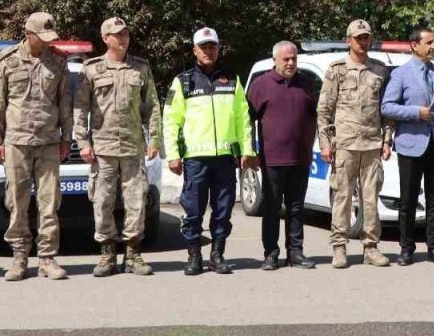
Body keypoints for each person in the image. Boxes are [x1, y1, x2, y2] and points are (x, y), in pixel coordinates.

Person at [164, 27, 256, 276]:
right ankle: (194, 256)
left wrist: (247, 149)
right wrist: (173, 154)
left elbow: (242, 118)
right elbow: (171, 119)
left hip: (225, 158)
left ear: (218, 48)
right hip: (195, 159)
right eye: (203, 47)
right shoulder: (183, 81)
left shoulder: (232, 79)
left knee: (223, 210)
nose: (208, 51)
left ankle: (217, 255)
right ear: (194, 50)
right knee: (193, 211)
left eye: (212, 46)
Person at [74, 17, 161, 277]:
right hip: (103, 148)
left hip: (133, 147)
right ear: (105, 38)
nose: (123, 39)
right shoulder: (91, 70)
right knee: (102, 202)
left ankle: (133, 254)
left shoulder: (140, 69)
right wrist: (83, 142)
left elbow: (152, 107)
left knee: (136, 202)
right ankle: (107, 254)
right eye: (117, 35)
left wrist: (154, 139)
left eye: (125, 34)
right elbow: (80, 109)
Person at [0, 12, 72, 281]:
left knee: (49, 204)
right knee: (17, 201)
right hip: (17, 142)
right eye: (42, 36)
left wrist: (66, 138)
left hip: (48, 142)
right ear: (28, 33)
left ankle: (47, 258)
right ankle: (19, 257)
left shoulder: (58, 63)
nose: (47, 42)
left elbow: (65, 104)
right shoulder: (6, 61)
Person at [380, 25, 434, 266]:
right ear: (415, 45)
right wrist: (415, 112)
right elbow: (386, 106)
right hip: (411, 145)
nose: (433, 46)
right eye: (429, 42)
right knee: (409, 200)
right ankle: (407, 248)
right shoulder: (401, 74)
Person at [317, 20, 392, 269]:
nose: (363, 41)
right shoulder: (336, 69)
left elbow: (386, 111)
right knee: (343, 198)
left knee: (370, 199)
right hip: (345, 144)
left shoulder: (380, 70)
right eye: (358, 37)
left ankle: (371, 247)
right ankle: (339, 248)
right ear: (348, 40)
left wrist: (387, 139)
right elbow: (324, 110)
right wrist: (325, 143)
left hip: (371, 144)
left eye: (366, 37)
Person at [246, 40, 318, 271]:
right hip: (272, 160)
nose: (290, 63)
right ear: (274, 60)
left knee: (297, 208)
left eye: (294, 59)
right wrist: (251, 152)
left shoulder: (305, 84)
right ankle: (271, 254)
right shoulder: (261, 85)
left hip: (301, 158)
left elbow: (315, 117)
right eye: (286, 59)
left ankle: (295, 253)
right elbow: (248, 120)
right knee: (272, 208)